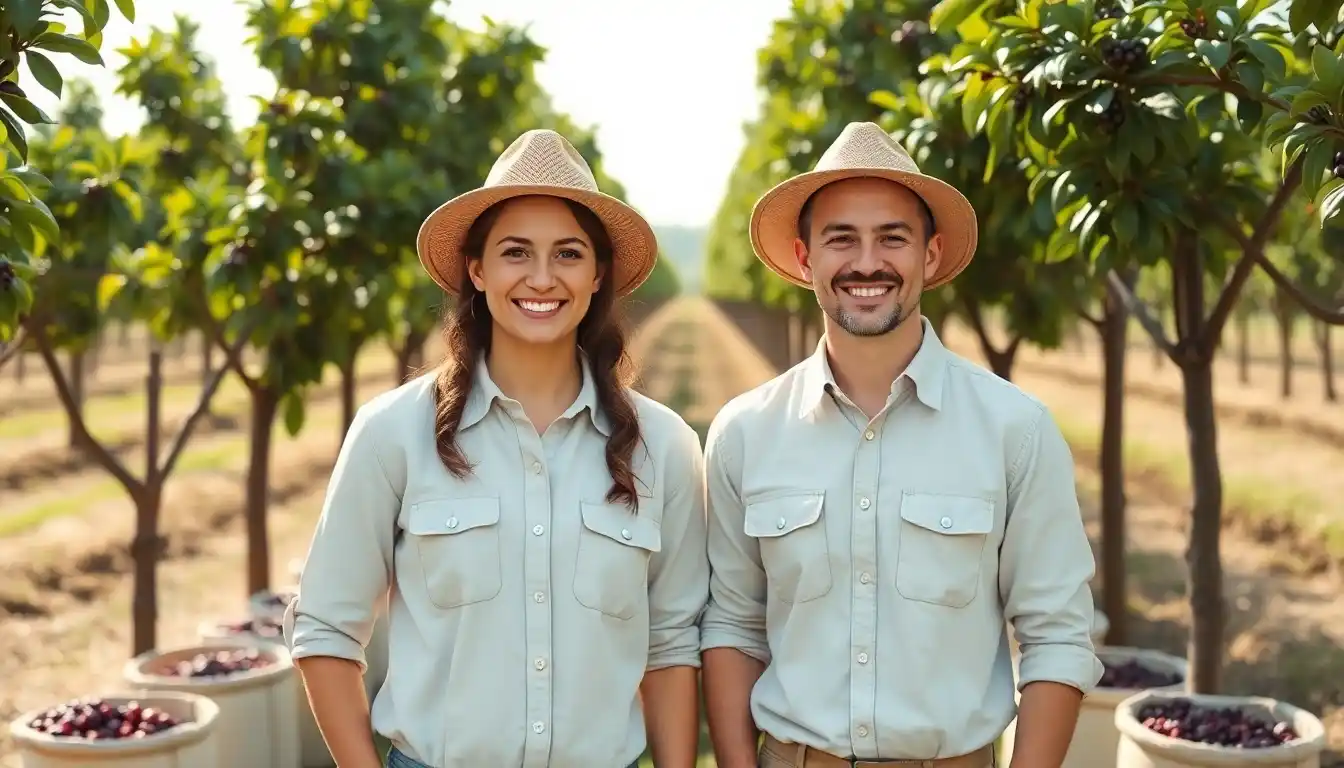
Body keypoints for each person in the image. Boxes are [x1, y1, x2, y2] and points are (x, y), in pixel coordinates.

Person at [284, 129, 709, 768]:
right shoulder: (392, 434)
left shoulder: (665, 447)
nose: (542, 277)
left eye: (568, 253)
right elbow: (325, 629)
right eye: (516, 252)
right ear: (477, 272)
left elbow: (671, 646)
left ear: (598, 276)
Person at [699, 121, 1102, 768]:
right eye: (841, 239)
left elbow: (1057, 634)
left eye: (893, 238)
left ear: (930, 256)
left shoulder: (1015, 429)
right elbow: (732, 626)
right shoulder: (745, 433)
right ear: (806, 260)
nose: (866, 263)